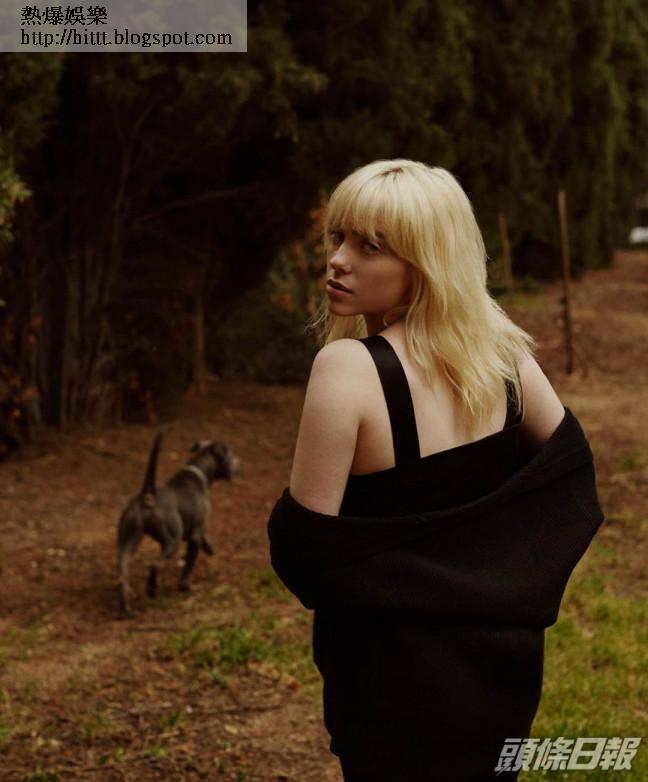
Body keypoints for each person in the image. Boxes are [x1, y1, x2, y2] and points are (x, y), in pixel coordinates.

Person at [270, 159, 600, 781]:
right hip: (504, 669)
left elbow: (302, 551)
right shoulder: (506, 361)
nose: (338, 260)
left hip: (388, 680)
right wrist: (504, 585)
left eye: (371, 246)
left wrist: (400, 584)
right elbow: (573, 485)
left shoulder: (347, 369)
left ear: (427, 263)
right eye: (338, 237)